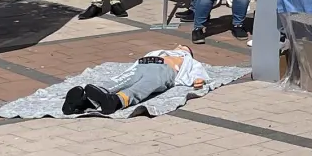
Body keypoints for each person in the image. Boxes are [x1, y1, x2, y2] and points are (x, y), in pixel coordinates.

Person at [62, 46, 210, 115]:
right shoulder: (162, 51)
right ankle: (84, 99)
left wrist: (198, 80)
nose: (180, 47)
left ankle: (116, 101)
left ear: (188, 52)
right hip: (145, 63)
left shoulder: (188, 60)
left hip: (164, 70)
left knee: (145, 85)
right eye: (179, 46)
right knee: (122, 80)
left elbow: (199, 73)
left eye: (184, 47)